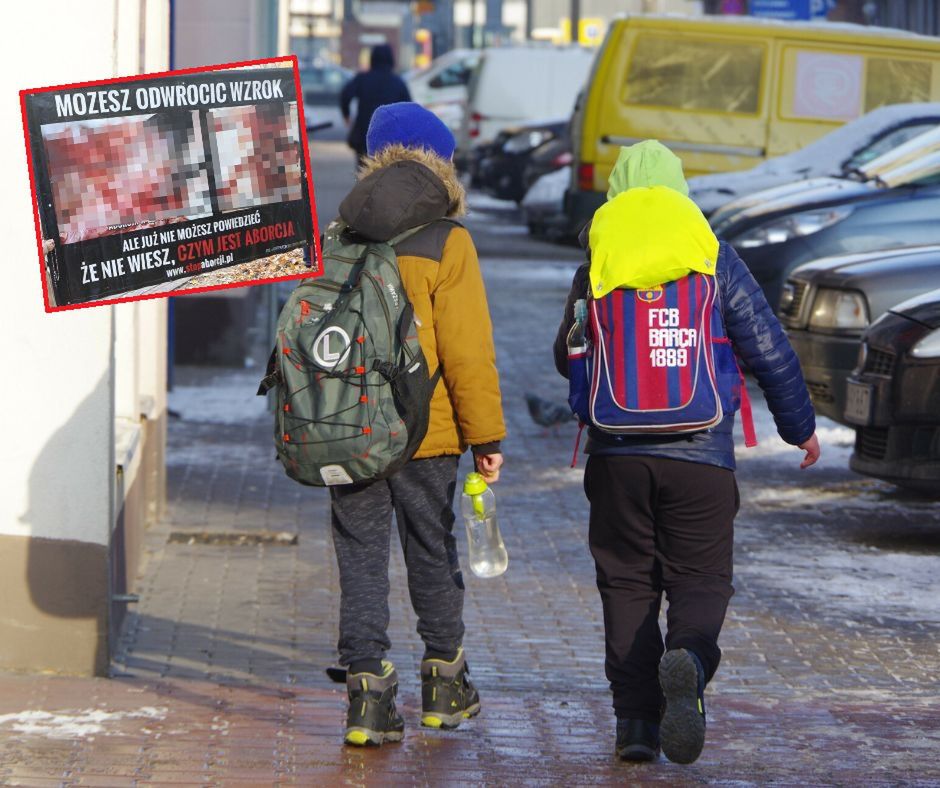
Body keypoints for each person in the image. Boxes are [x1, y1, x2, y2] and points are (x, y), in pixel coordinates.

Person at [553, 140, 819, 765]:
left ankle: (636, 725)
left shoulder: (602, 252)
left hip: (616, 452)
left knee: (626, 585)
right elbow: (767, 346)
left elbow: (566, 349)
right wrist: (799, 426)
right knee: (700, 579)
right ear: (679, 189)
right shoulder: (710, 252)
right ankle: (691, 660)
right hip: (701, 453)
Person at [329, 101, 506, 746]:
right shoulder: (448, 241)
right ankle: (444, 686)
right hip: (425, 434)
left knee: (361, 557)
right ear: (438, 163)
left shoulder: (342, 231)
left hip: (349, 429)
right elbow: (466, 352)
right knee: (431, 550)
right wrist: (485, 436)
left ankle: (367, 698)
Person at [339, 44, 412, 163]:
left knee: (364, 172)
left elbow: (345, 95)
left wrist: (346, 115)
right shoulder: (398, 83)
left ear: (372, 58)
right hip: (390, 136)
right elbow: (408, 109)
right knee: (387, 173)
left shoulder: (362, 79)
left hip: (364, 132)